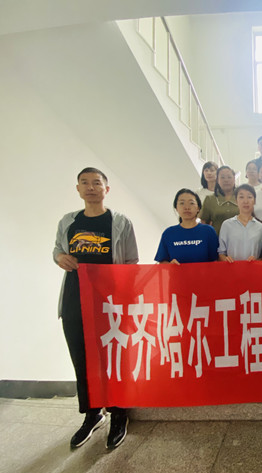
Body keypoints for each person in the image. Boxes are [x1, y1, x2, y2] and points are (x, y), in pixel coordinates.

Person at [53, 167, 138, 449]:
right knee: (82, 356)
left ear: (106, 189)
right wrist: (59, 257)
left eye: (96, 183)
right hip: (75, 298)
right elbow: (57, 250)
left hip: (110, 300)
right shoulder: (69, 221)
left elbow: (131, 263)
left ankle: (119, 412)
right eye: (85, 183)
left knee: (113, 356)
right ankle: (92, 414)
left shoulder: (120, 222)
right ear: (78, 188)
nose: (91, 187)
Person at [155, 189, 219, 264]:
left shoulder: (208, 231)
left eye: (191, 203)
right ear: (176, 208)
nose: (187, 207)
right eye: (182, 203)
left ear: (198, 208)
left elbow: (216, 260)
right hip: (176, 272)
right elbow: (162, 261)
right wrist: (170, 265)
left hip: (203, 272)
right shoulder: (169, 233)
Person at [218, 184, 262, 262]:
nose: (245, 201)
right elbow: (221, 253)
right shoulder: (227, 225)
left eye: (249, 197)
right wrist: (225, 259)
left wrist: (257, 260)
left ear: (254, 201)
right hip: (232, 268)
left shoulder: (261, 228)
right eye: (241, 197)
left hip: (253, 269)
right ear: (236, 201)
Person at [201, 166, 239, 235]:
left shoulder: (242, 197)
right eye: (222, 177)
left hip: (240, 238)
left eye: (229, 177)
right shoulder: (210, 199)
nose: (226, 180)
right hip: (217, 239)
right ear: (217, 180)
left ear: (234, 179)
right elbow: (204, 223)